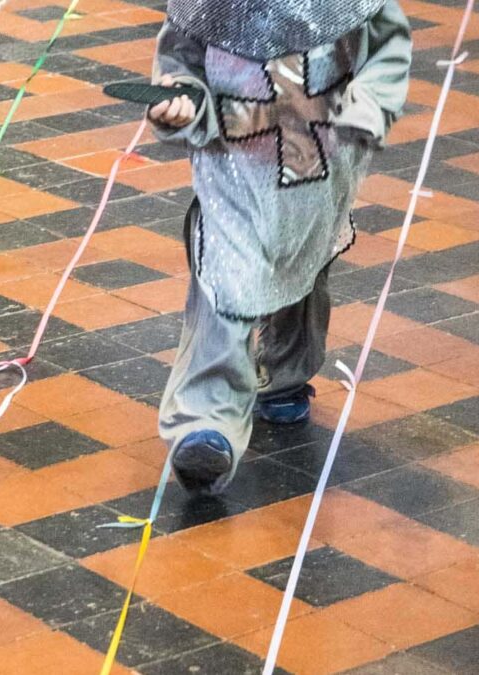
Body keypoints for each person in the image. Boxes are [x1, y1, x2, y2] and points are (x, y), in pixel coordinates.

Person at [150, 0, 413, 496]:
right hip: (233, 167)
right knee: (227, 279)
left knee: (303, 269)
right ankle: (205, 424)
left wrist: (368, 107)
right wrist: (180, 103)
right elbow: (180, 65)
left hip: (321, 165)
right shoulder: (200, 7)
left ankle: (287, 373)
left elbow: (387, 50)